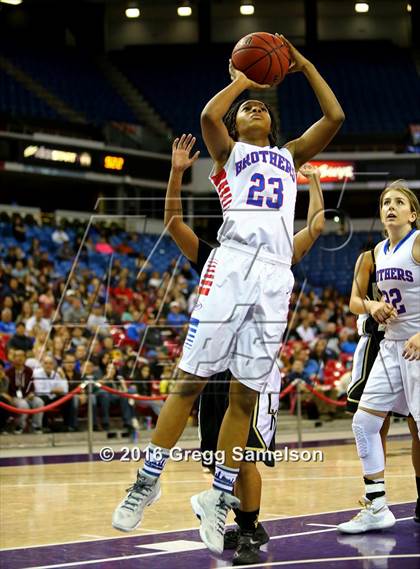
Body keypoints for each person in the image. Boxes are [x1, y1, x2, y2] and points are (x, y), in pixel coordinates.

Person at [112, 36, 344, 556]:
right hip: (233, 262)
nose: (253, 108)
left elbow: (334, 116)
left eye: (260, 106)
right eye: (246, 110)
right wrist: (243, 81)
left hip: (275, 277)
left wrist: (302, 65)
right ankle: (146, 481)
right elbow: (208, 116)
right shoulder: (228, 154)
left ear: (273, 124)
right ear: (238, 127)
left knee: (243, 395)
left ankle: (220, 498)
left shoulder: (289, 157)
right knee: (190, 381)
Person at [159, 135, 325, 564]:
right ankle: (237, 522)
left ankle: (251, 529)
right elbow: (174, 224)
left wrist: (314, 184)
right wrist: (176, 173)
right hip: (211, 372)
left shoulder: (279, 253)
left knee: (247, 455)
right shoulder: (217, 256)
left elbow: (317, 228)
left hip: (253, 375)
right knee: (219, 460)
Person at [338, 180, 420, 533]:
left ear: (413, 214)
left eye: (399, 202)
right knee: (364, 423)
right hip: (390, 346)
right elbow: (356, 299)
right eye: (386, 201)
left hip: (418, 346)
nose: (390, 206)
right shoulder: (377, 251)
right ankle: (376, 506)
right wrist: (371, 305)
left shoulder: (418, 243)